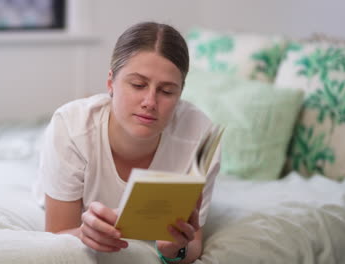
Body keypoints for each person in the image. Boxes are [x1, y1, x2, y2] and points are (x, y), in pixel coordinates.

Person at [33, 21, 220, 264]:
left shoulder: (201, 139)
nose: (150, 102)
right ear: (111, 82)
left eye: (166, 91)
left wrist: (172, 251)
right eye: (138, 85)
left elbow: (192, 242)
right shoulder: (70, 127)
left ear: (180, 94)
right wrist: (83, 235)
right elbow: (58, 235)